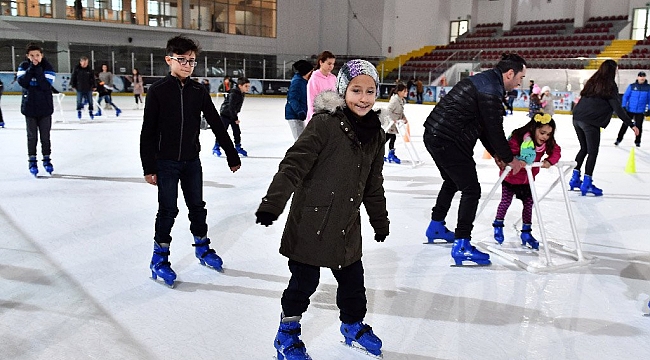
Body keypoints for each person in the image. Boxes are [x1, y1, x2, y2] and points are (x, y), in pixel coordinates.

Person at [255, 59, 388, 360]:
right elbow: (293, 165)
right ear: (343, 90)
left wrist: (379, 220)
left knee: (354, 284)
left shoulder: (376, 135)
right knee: (304, 283)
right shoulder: (325, 124)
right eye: (356, 90)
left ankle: (352, 325)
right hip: (311, 222)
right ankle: (286, 334)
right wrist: (272, 203)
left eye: (370, 91)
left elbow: (373, 183)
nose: (364, 98)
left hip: (346, 227)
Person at [139, 35, 241, 288]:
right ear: (169, 60)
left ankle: (202, 248)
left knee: (197, 206)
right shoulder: (158, 91)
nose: (187, 65)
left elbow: (217, 123)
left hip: (191, 161)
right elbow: (148, 131)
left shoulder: (198, 91)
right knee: (168, 210)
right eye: (182, 60)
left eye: (192, 61)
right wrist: (148, 167)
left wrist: (231, 152)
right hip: (166, 162)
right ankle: (159, 258)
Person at [423, 53, 527, 266]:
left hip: (434, 134)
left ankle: (436, 226)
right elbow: (493, 129)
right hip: (448, 139)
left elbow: (483, 127)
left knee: (452, 181)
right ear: (510, 73)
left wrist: (498, 154)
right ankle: (462, 244)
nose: (520, 82)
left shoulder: (486, 81)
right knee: (471, 190)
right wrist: (509, 158)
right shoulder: (490, 90)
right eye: (520, 77)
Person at [568, 59, 639, 196]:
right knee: (592, 152)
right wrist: (631, 124)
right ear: (612, 70)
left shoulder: (592, 82)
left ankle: (575, 179)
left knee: (584, 149)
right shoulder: (609, 85)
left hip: (577, 118)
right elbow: (617, 109)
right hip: (590, 121)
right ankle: (587, 183)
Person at [492, 113, 561, 250]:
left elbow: (556, 151)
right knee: (506, 202)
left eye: (548, 134)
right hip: (511, 177)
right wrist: (517, 160)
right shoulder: (519, 138)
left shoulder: (546, 143)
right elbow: (508, 152)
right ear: (534, 128)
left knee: (529, 204)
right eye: (542, 133)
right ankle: (498, 225)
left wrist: (549, 160)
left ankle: (526, 232)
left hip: (527, 180)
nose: (544, 137)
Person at [16, 42, 56, 176]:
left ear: (42, 55)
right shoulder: (23, 66)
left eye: (37, 55)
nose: (35, 58)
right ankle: (32, 161)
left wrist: (38, 69)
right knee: (32, 136)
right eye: (32, 55)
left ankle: (47, 159)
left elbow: (45, 85)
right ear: (27, 56)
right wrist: (31, 69)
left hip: (45, 108)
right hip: (29, 107)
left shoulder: (47, 66)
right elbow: (22, 82)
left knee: (45, 136)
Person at [212, 77, 250, 157]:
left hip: (232, 114)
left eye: (248, 86)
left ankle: (238, 147)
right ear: (240, 86)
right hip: (225, 114)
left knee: (237, 132)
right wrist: (235, 119)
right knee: (222, 132)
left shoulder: (240, 92)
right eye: (246, 86)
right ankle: (216, 147)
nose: (248, 88)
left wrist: (235, 116)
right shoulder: (234, 93)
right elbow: (231, 107)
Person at [616, 71, 649, 147]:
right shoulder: (632, 86)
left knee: (639, 127)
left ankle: (637, 141)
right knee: (625, 125)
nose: (642, 78)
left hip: (640, 111)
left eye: (643, 76)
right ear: (638, 77)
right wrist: (623, 106)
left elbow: (649, 99)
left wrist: (649, 109)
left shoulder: (648, 88)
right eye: (640, 76)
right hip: (630, 110)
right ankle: (619, 139)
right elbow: (625, 97)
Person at [284, 59, 313, 140]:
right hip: (294, 115)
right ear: (306, 72)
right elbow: (292, 99)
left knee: (303, 139)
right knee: (300, 141)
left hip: (300, 115)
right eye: (311, 71)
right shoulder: (297, 82)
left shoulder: (305, 81)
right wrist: (299, 111)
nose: (313, 73)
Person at [305, 50, 336, 122]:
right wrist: (315, 118)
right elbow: (312, 101)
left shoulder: (333, 78)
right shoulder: (314, 79)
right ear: (321, 62)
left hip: (331, 117)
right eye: (329, 63)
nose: (331, 66)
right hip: (318, 118)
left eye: (333, 64)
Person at [381, 82, 408, 164]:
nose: (406, 93)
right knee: (388, 137)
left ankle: (390, 154)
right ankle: (379, 153)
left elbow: (400, 111)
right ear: (399, 92)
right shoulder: (395, 100)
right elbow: (388, 111)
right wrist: (392, 119)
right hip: (390, 123)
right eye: (404, 91)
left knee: (392, 137)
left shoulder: (402, 100)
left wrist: (404, 118)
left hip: (395, 123)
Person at [70, 56, 95, 120]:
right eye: (84, 63)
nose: (85, 64)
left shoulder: (89, 70)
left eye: (86, 63)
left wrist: (94, 86)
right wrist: (72, 85)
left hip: (88, 88)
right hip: (79, 88)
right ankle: (79, 111)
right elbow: (73, 77)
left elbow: (93, 78)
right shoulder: (77, 69)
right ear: (81, 62)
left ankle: (91, 112)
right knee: (79, 101)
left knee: (90, 101)